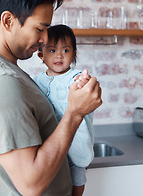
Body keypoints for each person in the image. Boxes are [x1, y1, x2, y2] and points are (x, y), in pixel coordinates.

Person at [0, 0, 102, 196]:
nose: (45, 39)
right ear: (8, 20)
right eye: (40, 28)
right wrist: (75, 113)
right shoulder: (2, 84)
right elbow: (31, 184)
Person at [33, 25, 94, 196]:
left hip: (74, 142)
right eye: (52, 50)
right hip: (48, 144)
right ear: (41, 55)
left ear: (74, 53)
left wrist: (83, 83)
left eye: (65, 50)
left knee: (77, 174)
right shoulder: (35, 81)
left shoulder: (75, 78)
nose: (59, 55)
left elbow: (83, 88)